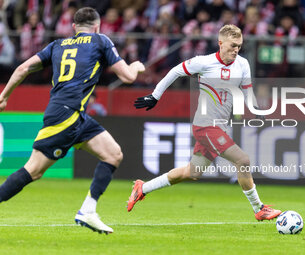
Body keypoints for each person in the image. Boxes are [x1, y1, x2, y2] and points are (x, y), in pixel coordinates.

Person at [0, 7, 145, 234]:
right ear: (97, 26)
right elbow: (127, 76)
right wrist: (136, 66)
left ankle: (88, 211)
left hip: (75, 115)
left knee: (113, 154)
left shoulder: (58, 45)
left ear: (74, 27)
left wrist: (4, 96)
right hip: (66, 116)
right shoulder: (100, 40)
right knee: (34, 170)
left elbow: (22, 68)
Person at [128, 24, 281, 221]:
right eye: (233, 45)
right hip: (205, 126)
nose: (236, 50)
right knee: (242, 160)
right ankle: (259, 209)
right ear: (220, 43)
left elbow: (246, 90)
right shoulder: (204, 62)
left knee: (192, 172)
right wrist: (155, 96)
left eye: (239, 46)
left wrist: (256, 110)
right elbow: (175, 71)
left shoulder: (243, 64)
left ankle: (143, 188)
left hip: (220, 126)